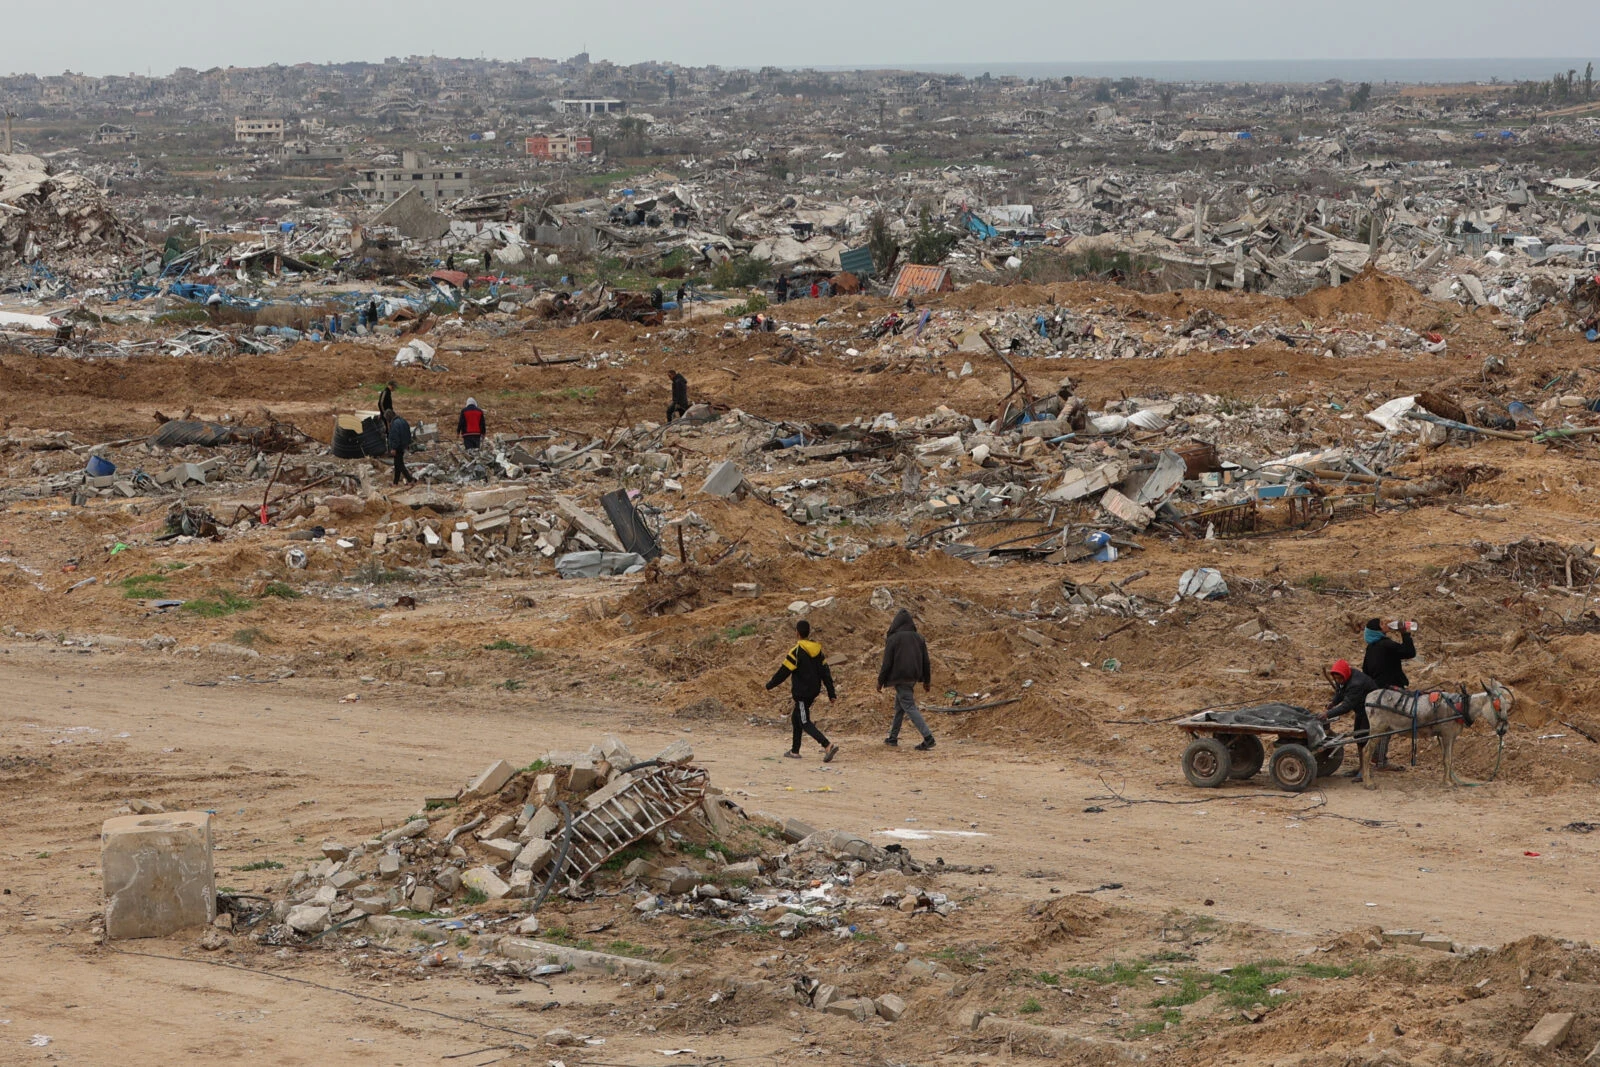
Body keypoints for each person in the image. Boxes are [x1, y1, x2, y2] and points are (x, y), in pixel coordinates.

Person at [765, 619, 840, 762]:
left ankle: (827, 745)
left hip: (802, 693)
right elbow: (826, 673)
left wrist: (770, 685)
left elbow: (784, 671)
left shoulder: (797, 651)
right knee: (796, 718)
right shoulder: (818, 651)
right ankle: (794, 751)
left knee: (804, 721)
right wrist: (831, 693)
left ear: (797, 633)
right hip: (813, 691)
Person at [1362, 617, 1417, 768]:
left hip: (1376, 691)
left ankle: (1375, 757)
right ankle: (1380, 760)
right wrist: (1405, 634)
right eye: (1382, 624)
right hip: (1390, 692)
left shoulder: (1371, 648)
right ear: (1376, 630)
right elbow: (1409, 652)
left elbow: (1365, 671)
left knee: (1378, 726)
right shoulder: (1386, 645)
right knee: (1387, 726)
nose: (1386, 624)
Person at [878, 608, 935, 750]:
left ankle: (928, 738)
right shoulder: (919, 638)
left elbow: (887, 663)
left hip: (900, 677)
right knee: (900, 707)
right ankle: (892, 738)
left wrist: (880, 681)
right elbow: (926, 661)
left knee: (908, 706)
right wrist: (927, 681)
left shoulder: (893, 639)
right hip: (913, 677)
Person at [1321, 659, 1380, 777]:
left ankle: (1365, 770)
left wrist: (1328, 714)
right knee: (1358, 736)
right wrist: (1333, 702)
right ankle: (1361, 767)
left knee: (1364, 738)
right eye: (1336, 679)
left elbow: (1347, 706)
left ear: (1345, 675)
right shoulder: (1343, 677)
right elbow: (1340, 692)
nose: (1338, 681)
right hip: (1360, 709)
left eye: (1339, 679)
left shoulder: (1356, 683)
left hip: (1371, 710)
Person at [388, 409, 417, 486]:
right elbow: (408, 433)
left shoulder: (394, 424)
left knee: (400, 464)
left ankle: (410, 480)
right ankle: (395, 483)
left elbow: (395, 437)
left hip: (397, 447)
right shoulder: (403, 421)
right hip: (403, 445)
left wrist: (393, 448)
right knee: (397, 464)